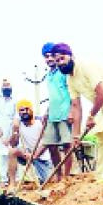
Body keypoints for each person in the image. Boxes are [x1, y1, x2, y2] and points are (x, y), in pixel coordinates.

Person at [51, 42, 103, 180]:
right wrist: (76, 136)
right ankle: (100, 175)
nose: (60, 63)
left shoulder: (85, 66)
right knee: (101, 136)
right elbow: (76, 106)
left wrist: (91, 116)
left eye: (62, 58)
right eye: (57, 61)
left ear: (70, 56)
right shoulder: (70, 80)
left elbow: (101, 93)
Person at [41, 42, 74, 181]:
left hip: (65, 114)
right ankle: (58, 175)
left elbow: (72, 92)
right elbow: (53, 96)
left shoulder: (63, 72)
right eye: (46, 57)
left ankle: (66, 177)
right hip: (52, 115)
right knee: (51, 145)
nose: (49, 59)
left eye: (51, 56)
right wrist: (47, 112)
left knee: (67, 145)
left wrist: (72, 110)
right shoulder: (49, 75)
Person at [8, 100, 54, 187]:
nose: (24, 112)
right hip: (27, 155)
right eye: (21, 110)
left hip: (41, 158)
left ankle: (39, 180)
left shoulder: (40, 122)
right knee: (12, 151)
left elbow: (47, 143)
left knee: (49, 183)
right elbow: (13, 144)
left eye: (27, 109)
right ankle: (12, 184)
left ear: (31, 110)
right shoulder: (18, 125)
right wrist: (15, 131)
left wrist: (34, 156)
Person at [0, 79, 17, 187]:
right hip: (1, 129)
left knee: (13, 153)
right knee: (3, 156)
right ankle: (4, 179)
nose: (6, 87)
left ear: (11, 88)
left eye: (8, 85)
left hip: (13, 129)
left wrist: (13, 134)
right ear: (1, 88)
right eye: (4, 86)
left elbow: (16, 117)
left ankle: (15, 179)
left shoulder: (15, 100)